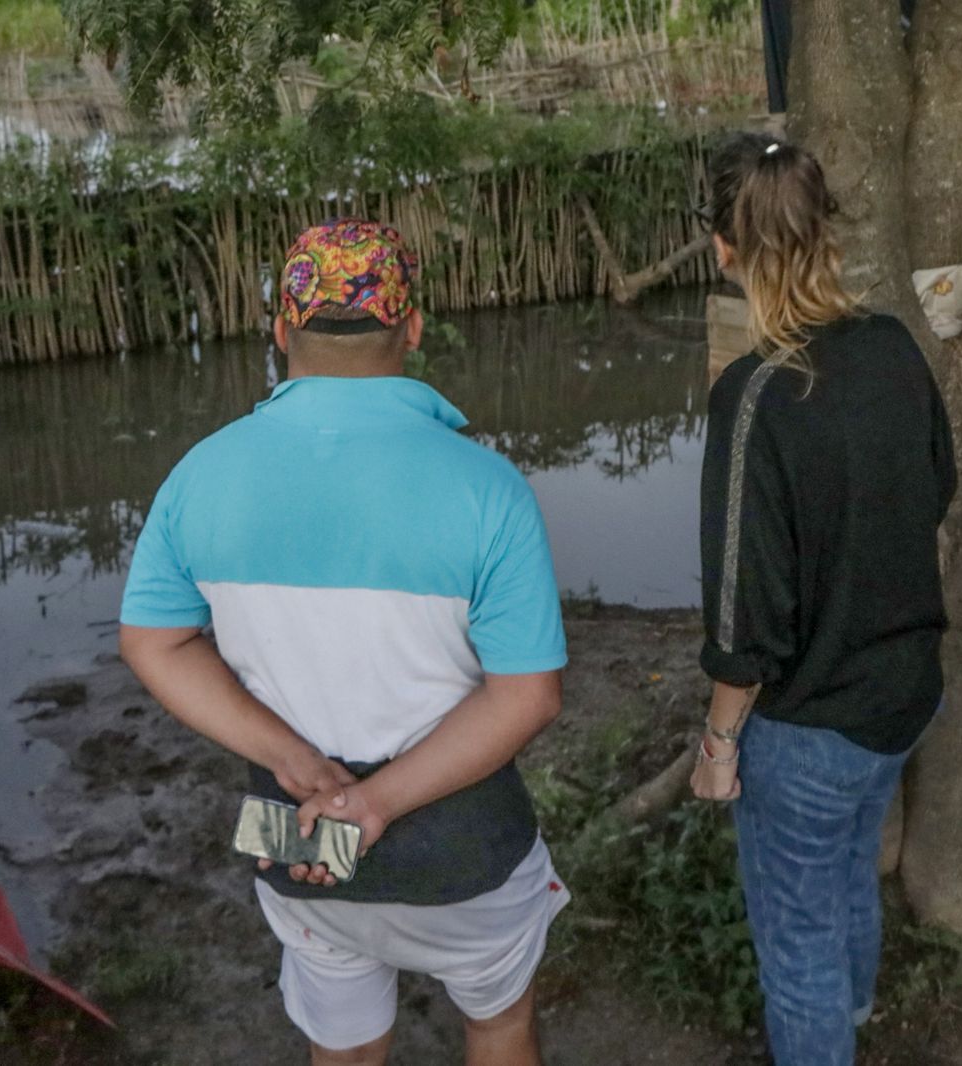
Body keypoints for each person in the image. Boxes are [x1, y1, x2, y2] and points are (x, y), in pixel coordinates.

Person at [118, 218, 570, 1066]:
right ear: (413, 327)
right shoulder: (486, 486)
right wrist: (376, 806)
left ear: (282, 331)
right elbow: (528, 695)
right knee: (501, 1024)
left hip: (297, 840)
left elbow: (154, 642)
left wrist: (290, 759)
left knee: (345, 1045)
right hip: (466, 848)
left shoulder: (199, 475)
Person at [689, 133, 957, 1066]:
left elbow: (740, 614)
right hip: (905, 697)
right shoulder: (891, 344)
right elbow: (938, 485)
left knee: (797, 938)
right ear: (825, 232)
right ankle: (850, 1027)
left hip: (810, 730)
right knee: (847, 871)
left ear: (723, 249)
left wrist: (720, 746)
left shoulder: (754, 392)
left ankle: (826, 1037)